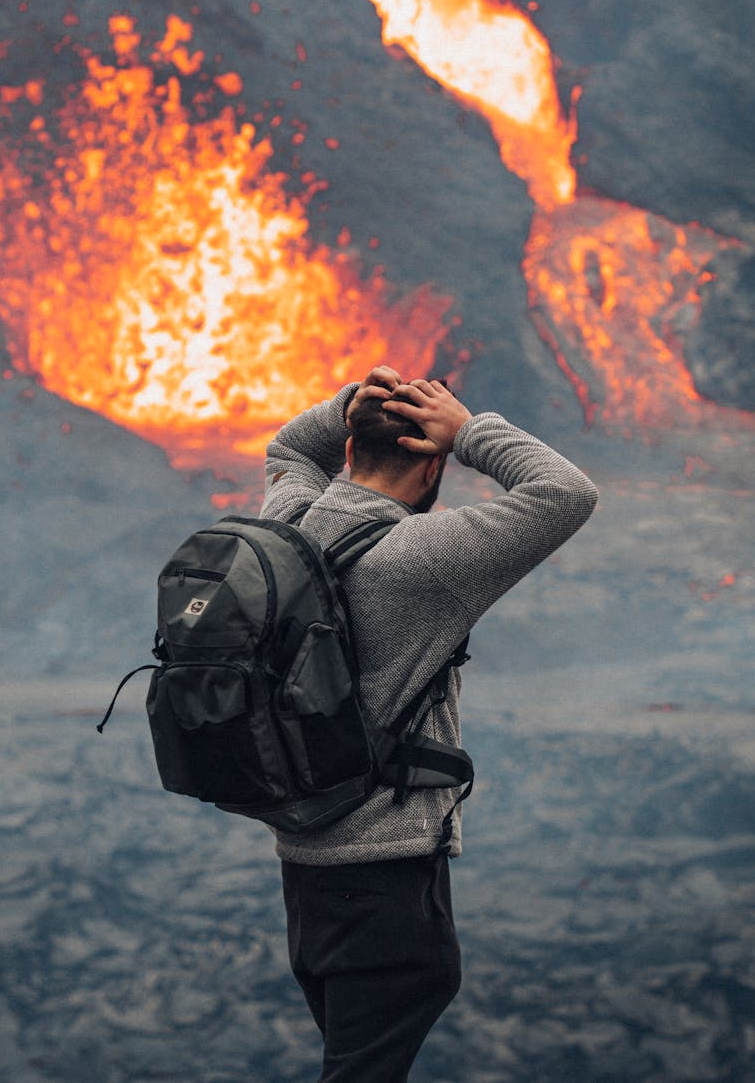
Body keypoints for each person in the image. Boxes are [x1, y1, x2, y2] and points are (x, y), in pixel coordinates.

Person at [260, 365, 598, 1081]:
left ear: (350, 449)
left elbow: (291, 452)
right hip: (385, 878)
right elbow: (566, 492)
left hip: (305, 874)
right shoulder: (421, 559)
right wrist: (470, 427)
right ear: (434, 461)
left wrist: (348, 406)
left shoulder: (282, 528)